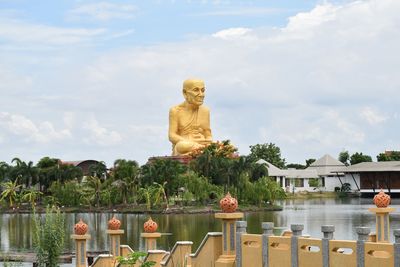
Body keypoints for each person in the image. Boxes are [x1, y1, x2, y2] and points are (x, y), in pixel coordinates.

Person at [168, 79, 212, 155]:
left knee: (226, 146)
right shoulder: (175, 111)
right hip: (186, 144)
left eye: (203, 90)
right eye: (196, 90)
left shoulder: (205, 111)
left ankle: (201, 151)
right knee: (181, 146)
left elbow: (207, 134)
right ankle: (203, 151)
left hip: (202, 143)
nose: (201, 94)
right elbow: (172, 135)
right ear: (185, 93)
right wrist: (189, 142)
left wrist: (208, 140)